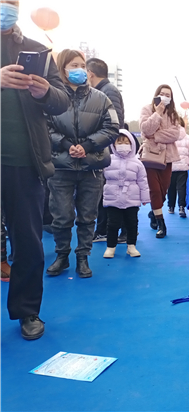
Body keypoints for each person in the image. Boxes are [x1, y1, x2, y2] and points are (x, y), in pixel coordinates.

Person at [1, 1, 71, 340]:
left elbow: (63, 100)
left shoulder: (37, 50)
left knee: (28, 242)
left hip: (25, 160)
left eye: (11, 2)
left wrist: (45, 92)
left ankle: (27, 310)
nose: (6, 7)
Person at [46, 49, 119, 279]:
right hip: (60, 166)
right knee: (61, 216)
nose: (80, 70)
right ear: (62, 69)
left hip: (92, 166)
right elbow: (43, 127)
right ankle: (62, 255)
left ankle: (83, 257)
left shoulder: (102, 98)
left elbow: (112, 127)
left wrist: (87, 146)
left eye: (82, 65)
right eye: (73, 65)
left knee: (88, 217)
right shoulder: (51, 99)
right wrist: (66, 144)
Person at [87, 57, 126, 243]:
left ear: (90, 74)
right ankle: (105, 229)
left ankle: (113, 230)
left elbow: (114, 123)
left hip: (107, 149)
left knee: (112, 192)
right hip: (104, 148)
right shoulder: (103, 91)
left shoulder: (108, 92)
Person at [139, 84, 180, 238]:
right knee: (155, 190)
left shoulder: (173, 114)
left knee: (163, 190)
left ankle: (154, 211)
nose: (165, 97)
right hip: (151, 155)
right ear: (157, 95)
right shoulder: (147, 109)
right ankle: (161, 223)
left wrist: (155, 136)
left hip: (167, 157)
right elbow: (146, 129)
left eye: (168, 95)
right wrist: (157, 114)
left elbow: (175, 134)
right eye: (162, 94)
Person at [103, 130, 150, 258]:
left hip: (132, 198)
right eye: (119, 142)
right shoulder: (108, 160)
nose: (123, 145)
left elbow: (143, 181)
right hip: (112, 197)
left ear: (131, 144)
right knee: (112, 224)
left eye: (126, 142)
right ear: (114, 144)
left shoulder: (137, 163)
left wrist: (145, 198)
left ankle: (131, 246)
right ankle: (110, 247)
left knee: (132, 223)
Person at [167, 116, 189, 218]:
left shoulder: (169, 137)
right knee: (182, 187)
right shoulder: (188, 138)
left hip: (170, 166)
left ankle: (171, 206)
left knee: (171, 187)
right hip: (183, 166)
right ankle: (181, 207)